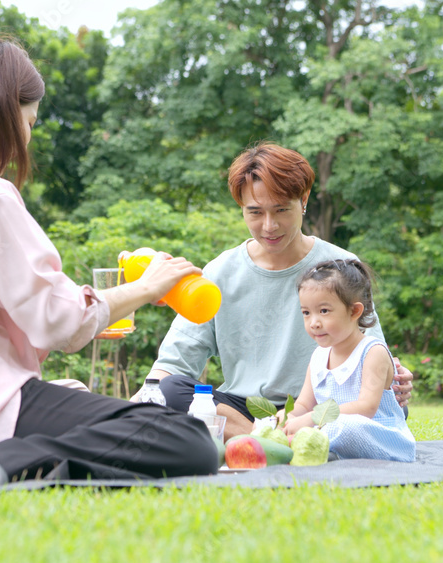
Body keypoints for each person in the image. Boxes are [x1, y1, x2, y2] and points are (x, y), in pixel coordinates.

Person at [0, 38, 218, 486]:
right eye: (28, 122)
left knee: (94, 408)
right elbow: (59, 321)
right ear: (4, 113)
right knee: (188, 438)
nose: (25, 140)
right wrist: (146, 287)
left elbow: (6, 316)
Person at [141, 143, 414, 439]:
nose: (269, 226)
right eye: (255, 212)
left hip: (320, 405)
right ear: (241, 208)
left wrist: (393, 376)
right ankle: (270, 440)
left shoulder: (341, 266)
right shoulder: (219, 272)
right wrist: (137, 406)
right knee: (169, 390)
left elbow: (370, 350)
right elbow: (173, 364)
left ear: (304, 199)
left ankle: (267, 440)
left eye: (281, 209)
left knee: (391, 406)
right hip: (241, 409)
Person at [284, 259, 415, 462]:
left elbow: (366, 407)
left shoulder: (372, 351)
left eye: (324, 311)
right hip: (331, 429)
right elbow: (303, 404)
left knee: (345, 426)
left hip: (379, 437)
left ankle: (317, 444)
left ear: (354, 311)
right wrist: (286, 418)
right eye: (306, 313)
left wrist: (310, 419)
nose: (314, 323)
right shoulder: (318, 356)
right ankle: (319, 447)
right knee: (270, 424)